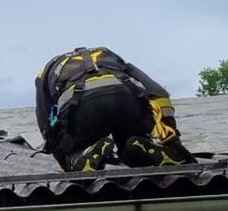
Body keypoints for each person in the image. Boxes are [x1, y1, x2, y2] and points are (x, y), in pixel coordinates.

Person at [35, 47, 196, 171]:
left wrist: (63, 158)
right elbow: (158, 93)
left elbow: (45, 120)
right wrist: (173, 142)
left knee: (74, 151)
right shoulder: (107, 54)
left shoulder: (47, 70)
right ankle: (139, 145)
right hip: (126, 99)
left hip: (83, 106)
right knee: (131, 147)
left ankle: (81, 157)